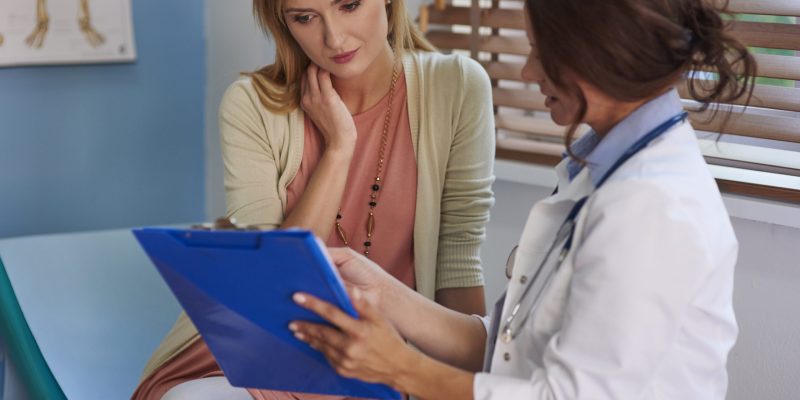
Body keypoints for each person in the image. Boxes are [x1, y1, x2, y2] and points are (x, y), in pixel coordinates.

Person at [289, 0, 757, 398]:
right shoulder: (605, 171)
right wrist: (385, 293)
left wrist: (398, 367)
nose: (528, 70)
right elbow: (508, 348)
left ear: (599, 50)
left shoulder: (653, 204)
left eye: (540, 50)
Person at [131, 0, 496, 398]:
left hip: (382, 359)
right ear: (283, 22)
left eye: (349, 5)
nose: (334, 38)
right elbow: (273, 278)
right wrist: (339, 147)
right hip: (261, 349)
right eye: (305, 17)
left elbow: (458, 257)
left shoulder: (456, 86)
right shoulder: (251, 105)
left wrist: (454, 385)